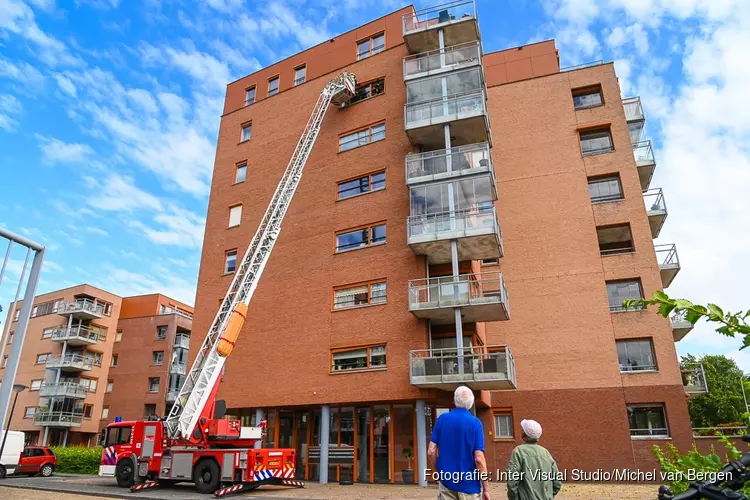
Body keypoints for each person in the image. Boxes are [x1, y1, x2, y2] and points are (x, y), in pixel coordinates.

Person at [428, 386, 490, 500]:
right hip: (469, 486)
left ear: (455, 401)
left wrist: (438, 471)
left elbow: (431, 451)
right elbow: (479, 459)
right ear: (471, 403)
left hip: (446, 483)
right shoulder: (476, 424)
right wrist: (486, 489)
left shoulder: (442, 419)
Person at [506, 419, 561, 500]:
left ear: (523, 434)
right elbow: (557, 482)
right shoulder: (546, 453)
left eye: (522, 430)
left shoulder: (518, 452)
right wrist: (549, 495)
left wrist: (514, 498)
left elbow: (512, 481)